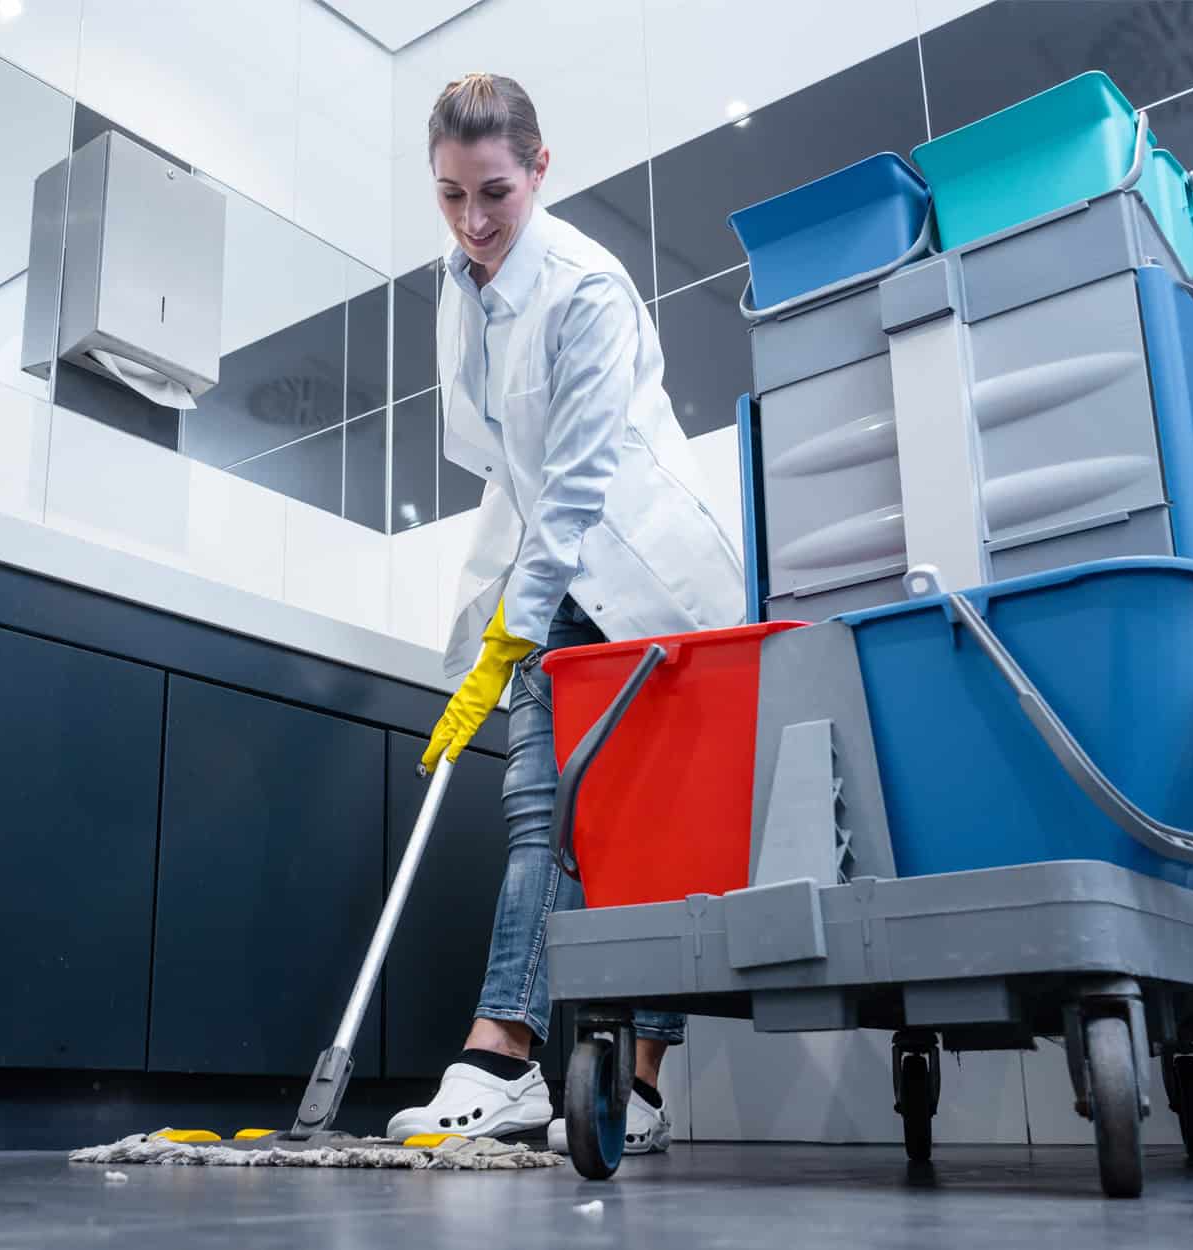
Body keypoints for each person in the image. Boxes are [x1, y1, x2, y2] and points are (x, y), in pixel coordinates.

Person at [387, 73, 745, 1156]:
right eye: (449, 195)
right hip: (548, 573)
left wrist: (516, 621)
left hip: (642, 585)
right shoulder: (460, 286)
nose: (473, 220)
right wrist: (485, 637)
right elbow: (506, 471)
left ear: (538, 169)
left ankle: (637, 1084)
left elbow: (579, 484)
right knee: (538, 813)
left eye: (492, 190)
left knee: (653, 836)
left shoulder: (584, 287)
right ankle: (501, 1055)